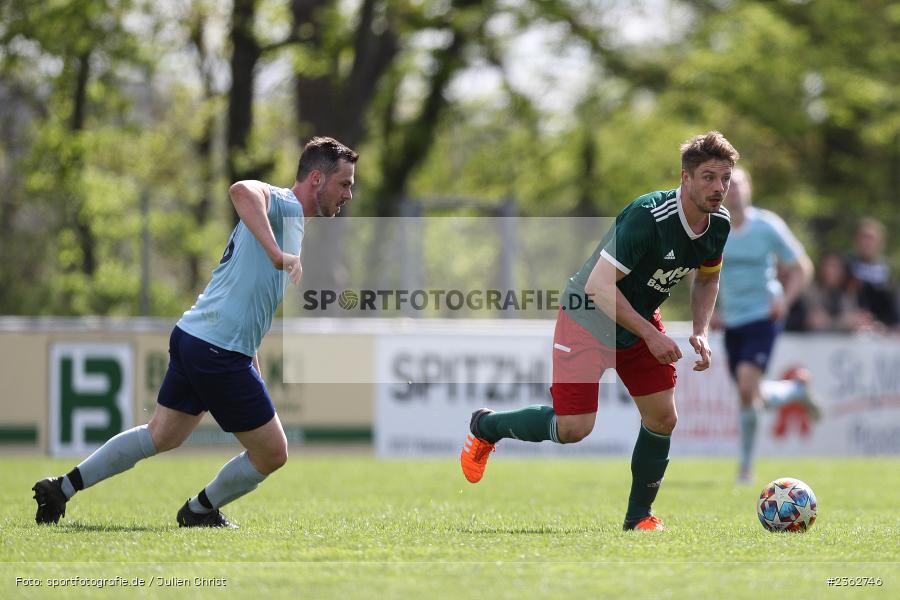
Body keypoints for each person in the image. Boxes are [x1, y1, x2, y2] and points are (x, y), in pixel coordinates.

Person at [32, 137, 358, 527]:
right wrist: (276, 254)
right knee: (273, 453)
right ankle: (200, 510)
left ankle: (61, 488)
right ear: (317, 179)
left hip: (195, 337)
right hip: (217, 350)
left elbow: (246, 294)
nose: (349, 194)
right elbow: (240, 190)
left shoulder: (292, 223)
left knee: (161, 434)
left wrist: (251, 356)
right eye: (344, 184)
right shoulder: (285, 205)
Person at [460, 131, 739, 531]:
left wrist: (701, 330)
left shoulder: (719, 225)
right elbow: (597, 286)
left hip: (636, 319)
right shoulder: (650, 216)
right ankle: (485, 426)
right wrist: (651, 335)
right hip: (586, 317)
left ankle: (639, 518)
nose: (719, 188)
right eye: (709, 177)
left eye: (725, 178)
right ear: (686, 178)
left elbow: (708, 279)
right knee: (575, 429)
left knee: (663, 418)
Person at [715, 167, 817, 484]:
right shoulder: (713, 228)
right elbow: (699, 274)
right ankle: (794, 390)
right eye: (727, 185)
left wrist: (784, 301)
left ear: (749, 188)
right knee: (751, 395)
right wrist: (708, 313)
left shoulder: (767, 226)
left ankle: (745, 469)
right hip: (732, 321)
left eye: (738, 184)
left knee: (747, 388)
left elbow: (802, 267)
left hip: (763, 316)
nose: (732, 190)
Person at [846, 218, 899, 331]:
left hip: (883, 329)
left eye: (871, 239)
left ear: (880, 243)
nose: (867, 243)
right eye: (863, 238)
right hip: (854, 326)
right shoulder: (846, 267)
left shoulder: (887, 271)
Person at [805, 253, 871, 332]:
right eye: (826, 265)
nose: (829, 270)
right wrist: (844, 322)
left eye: (834, 266)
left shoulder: (848, 293)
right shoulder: (812, 291)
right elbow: (816, 322)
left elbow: (855, 321)